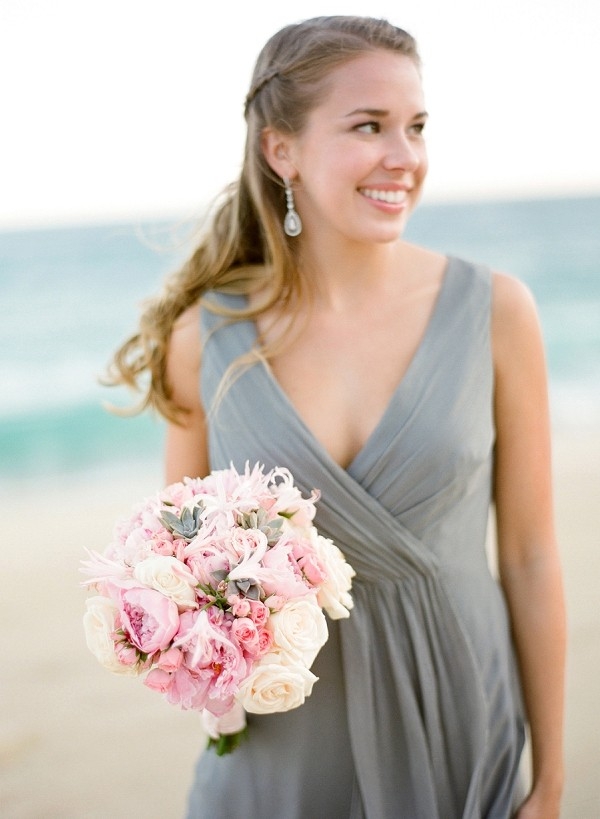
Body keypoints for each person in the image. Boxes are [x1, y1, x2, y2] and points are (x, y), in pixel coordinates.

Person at [108, 16, 565, 819]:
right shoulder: (205, 338)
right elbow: (170, 574)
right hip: (284, 746)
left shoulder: (496, 311)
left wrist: (552, 779)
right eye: (369, 127)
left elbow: (528, 557)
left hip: (461, 715)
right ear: (281, 149)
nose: (405, 157)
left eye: (416, 127)